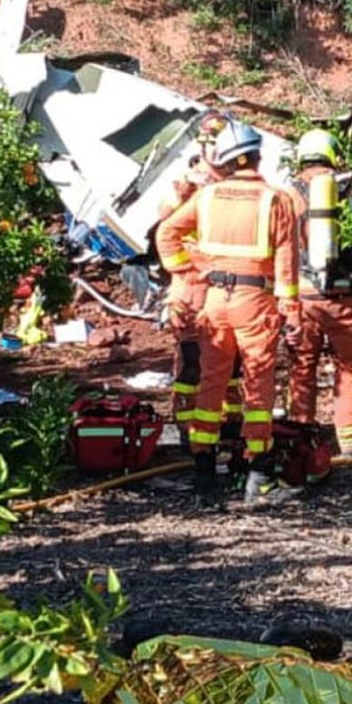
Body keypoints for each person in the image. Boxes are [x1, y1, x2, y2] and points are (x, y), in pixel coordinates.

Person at [157, 120, 302, 507]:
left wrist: (190, 269)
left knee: (211, 384)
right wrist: (292, 311)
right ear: (257, 155)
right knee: (257, 385)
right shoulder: (276, 200)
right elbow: (288, 264)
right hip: (255, 303)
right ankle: (259, 479)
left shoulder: (206, 197)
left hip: (214, 302)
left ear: (223, 158)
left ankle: (204, 478)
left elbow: (166, 234)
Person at [284, 130, 352, 458]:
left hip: (303, 297)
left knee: (302, 366)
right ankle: (350, 438)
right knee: (350, 366)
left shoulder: (287, 195)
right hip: (345, 297)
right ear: (334, 156)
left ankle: (300, 434)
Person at [155, 113, 229, 455]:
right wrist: (188, 185)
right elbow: (165, 225)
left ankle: (226, 425)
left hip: (221, 292)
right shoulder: (185, 191)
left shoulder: (231, 190)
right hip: (190, 291)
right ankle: (187, 429)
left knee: (229, 363)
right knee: (190, 362)